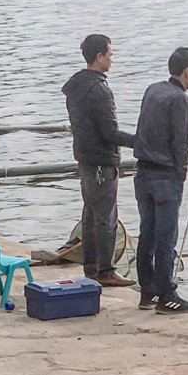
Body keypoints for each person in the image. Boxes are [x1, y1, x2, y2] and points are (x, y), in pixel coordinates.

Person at [62, 34, 137, 288]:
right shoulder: (100, 90)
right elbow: (109, 133)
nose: (112, 59)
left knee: (90, 214)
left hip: (84, 159)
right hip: (101, 162)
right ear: (99, 57)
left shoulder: (75, 87)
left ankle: (91, 267)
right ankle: (105, 270)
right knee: (106, 217)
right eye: (110, 55)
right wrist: (141, 140)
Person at [133, 47, 188, 314]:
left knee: (147, 234)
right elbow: (180, 143)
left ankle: (146, 291)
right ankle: (167, 294)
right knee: (166, 238)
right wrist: (181, 176)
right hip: (165, 177)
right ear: (187, 72)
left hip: (142, 174)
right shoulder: (180, 100)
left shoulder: (152, 90)